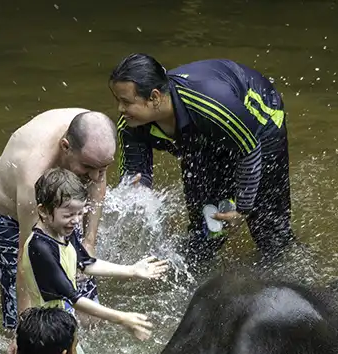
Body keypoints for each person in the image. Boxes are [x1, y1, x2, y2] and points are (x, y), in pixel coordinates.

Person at [108, 53, 295, 271]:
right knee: (204, 222)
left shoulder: (210, 104)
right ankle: (199, 271)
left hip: (259, 126)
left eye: (126, 102)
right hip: (202, 133)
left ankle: (287, 268)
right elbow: (135, 175)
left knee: (267, 225)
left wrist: (243, 209)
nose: (120, 109)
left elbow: (249, 149)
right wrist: (137, 192)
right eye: (118, 101)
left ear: (155, 97)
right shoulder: (131, 124)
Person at [20, 168, 170, 354]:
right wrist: (122, 318)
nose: (75, 221)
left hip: (60, 326)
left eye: (79, 214)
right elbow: (75, 298)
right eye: (68, 214)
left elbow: (86, 263)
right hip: (48, 334)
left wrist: (132, 271)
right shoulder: (40, 247)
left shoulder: (60, 232)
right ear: (43, 211)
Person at [0, 109, 117, 334]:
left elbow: (96, 184)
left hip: (60, 204)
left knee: (88, 313)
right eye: (88, 168)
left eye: (102, 169)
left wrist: (89, 241)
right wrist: (24, 325)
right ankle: (16, 348)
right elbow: (26, 258)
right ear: (65, 147)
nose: (95, 176)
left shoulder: (95, 140)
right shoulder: (34, 172)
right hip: (7, 216)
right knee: (27, 319)